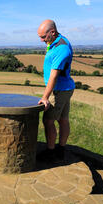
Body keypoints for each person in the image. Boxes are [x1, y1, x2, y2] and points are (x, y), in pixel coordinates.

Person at [36, 20, 75, 161]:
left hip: (58, 90)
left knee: (48, 120)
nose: (41, 40)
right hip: (66, 88)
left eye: (43, 37)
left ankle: (51, 152)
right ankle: (61, 150)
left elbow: (54, 75)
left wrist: (45, 97)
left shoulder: (61, 49)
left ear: (52, 32)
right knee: (63, 119)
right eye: (39, 37)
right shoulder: (57, 41)